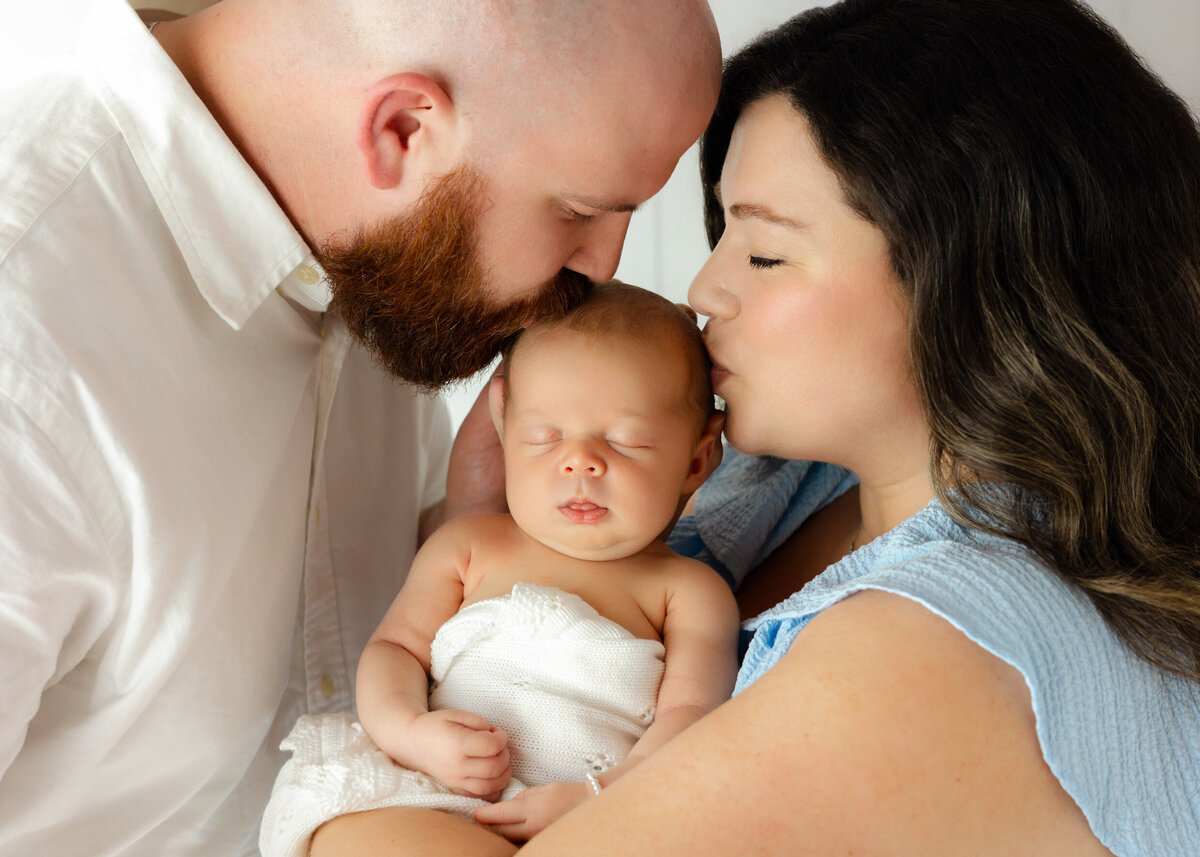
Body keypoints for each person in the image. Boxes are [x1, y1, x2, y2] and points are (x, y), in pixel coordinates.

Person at [310, 1, 1200, 855]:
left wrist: (350, 809)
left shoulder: (936, 651)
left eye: (765, 252)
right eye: (722, 235)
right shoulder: (800, 478)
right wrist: (482, 517)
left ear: (975, 279)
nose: (704, 290)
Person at [0, 0, 721, 854]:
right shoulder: (28, 344)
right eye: (577, 210)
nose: (603, 269)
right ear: (402, 130)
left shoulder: (378, 264)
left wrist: (468, 528)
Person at [259, 283, 737, 857]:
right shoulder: (468, 545)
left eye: (624, 440)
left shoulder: (688, 592)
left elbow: (691, 721)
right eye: (546, 435)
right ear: (503, 420)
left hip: (598, 811)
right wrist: (412, 733)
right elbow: (394, 651)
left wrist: (600, 796)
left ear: (696, 458)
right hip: (426, 790)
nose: (579, 459)